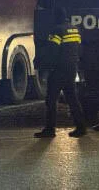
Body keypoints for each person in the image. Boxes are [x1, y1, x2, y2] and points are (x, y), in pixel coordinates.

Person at [35, 8, 88, 138]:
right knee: (72, 98)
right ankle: (81, 127)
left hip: (59, 70)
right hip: (72, 68)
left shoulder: (57, 30)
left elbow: (52, 51)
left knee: (51, 100)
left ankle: (50, 129)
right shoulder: (75, 29)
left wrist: (47, 65)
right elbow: (80, 49)